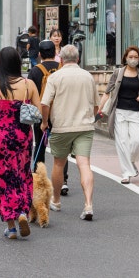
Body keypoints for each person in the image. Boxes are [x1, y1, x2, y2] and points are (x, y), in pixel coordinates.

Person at [0, 46, 40, 239]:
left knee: (5, 178)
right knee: (23, 174)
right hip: (23, 136)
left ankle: (11, 226)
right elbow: (38, 111)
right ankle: (23, 212)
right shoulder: (29, 84)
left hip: (1, 137)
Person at [40, 44, 97, 220]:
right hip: (84, 126)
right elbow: (95, 105)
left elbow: (44, 103)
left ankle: (56, 201)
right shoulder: (88, 77)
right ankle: (88, 204)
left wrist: (44, 123)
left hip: (62, 126)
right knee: (84, 165)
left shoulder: (55, 77)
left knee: (58, 164)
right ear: (78, 59)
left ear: (61, 60)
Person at [99, 46, 139, 183]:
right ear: (125, 58)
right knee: (122, 142)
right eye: (130, 57)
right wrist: (99, 108)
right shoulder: (118, 73)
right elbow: (107, 92)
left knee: (137, 140)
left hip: (135, 111)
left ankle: (131, 162)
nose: (133, 59)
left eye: (135, 57)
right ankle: (126, 173)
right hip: (119, 111)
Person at [27, 40, 69, 192]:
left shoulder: (35, 71)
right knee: (62, 148)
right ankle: (63, 181)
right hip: (61, 114)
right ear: (55, 53)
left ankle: (39, 180)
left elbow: (29, 93)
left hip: (40, 114)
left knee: (39, 145)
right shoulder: (62, 68)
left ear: (39, 54)